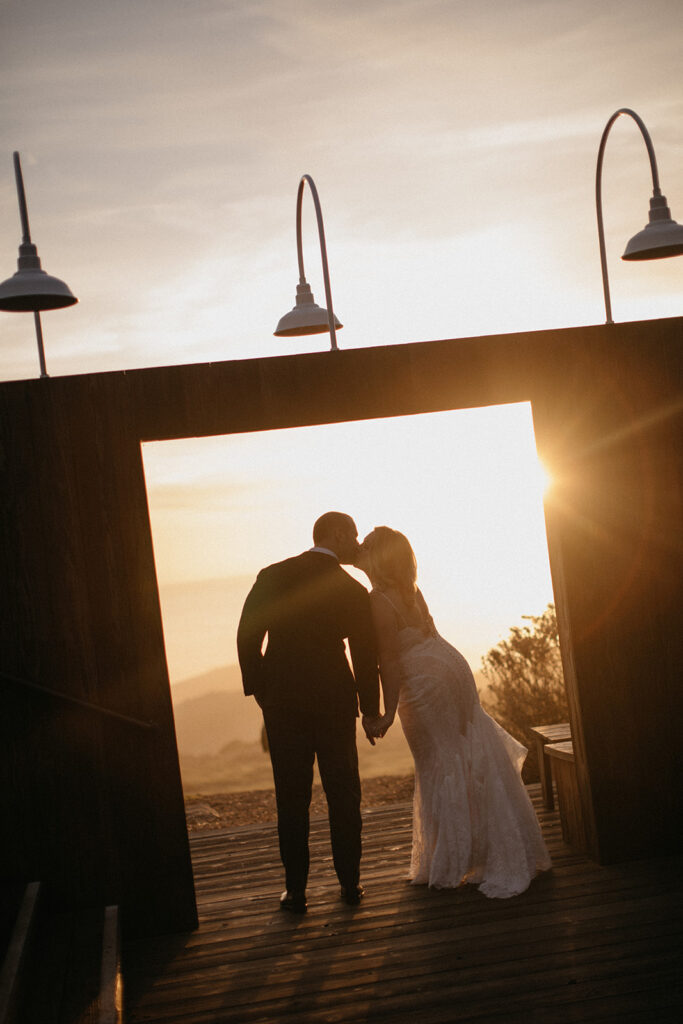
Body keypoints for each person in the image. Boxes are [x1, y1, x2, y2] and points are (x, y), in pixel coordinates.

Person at [357, 526, 551, 898]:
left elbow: (389, 658)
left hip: (425, 682)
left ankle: (454, 858)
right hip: (451, 667)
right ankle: (490, 847)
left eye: (368, 547)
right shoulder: (412, 591)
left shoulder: (379, 599)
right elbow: (429, 632)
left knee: (439, 762)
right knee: (466, 752)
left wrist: (387, 711)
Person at [237, 512, 382, 914]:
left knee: (291, 798)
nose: (355, 542)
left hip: (282, 703)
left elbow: (248, 634)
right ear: (336, 534)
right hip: (335, 703)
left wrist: (263, 690)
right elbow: (365, 657)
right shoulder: (351, 590)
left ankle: (296, 891)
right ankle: (350, 885)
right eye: (352, 534)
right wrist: (370, 711)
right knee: (344, 795)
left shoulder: (273, 575)